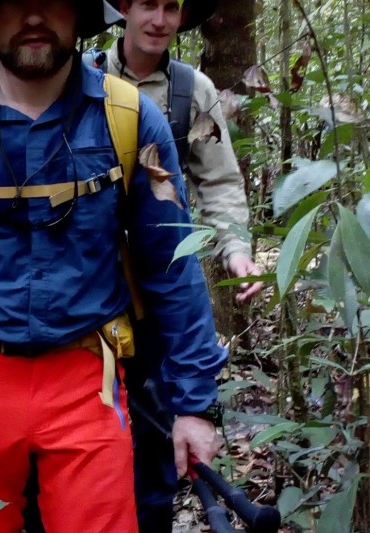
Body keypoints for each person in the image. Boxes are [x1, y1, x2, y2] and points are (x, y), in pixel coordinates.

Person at [0, 0, 226, 531]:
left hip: (89, 381)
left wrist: (193, 406)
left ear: (80, 13)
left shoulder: (129, 120)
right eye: (12, 1)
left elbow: (171, 266)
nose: (33, 15)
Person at [104, 1, 262, 531]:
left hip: (161, 301)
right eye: (148, 4)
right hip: (93, 302)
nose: (160, 19)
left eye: (172, 7)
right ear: (124, 9)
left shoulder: (192, 90)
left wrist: (235, 248)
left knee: (156, 447)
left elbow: (219, 182)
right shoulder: (83, 79)